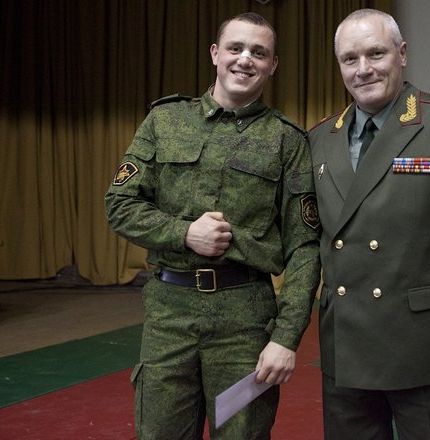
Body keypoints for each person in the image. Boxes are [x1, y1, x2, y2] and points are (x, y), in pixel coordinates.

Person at [104, 12, 321, 440]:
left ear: (273, 65)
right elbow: (120, 203)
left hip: (245, 325)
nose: (245, 59)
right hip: (169, 318)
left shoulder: (287, 140)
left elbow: (304, 247)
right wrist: (184, 233)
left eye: (259, 52)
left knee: (242, 434)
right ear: (215, 54)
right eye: (236, 48)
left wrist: (286, 336)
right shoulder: (165, 121)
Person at [308, 9, 430, 440]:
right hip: (346, 347)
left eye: (375, 54)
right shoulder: (320, 138)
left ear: (402, 54)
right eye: (349, 59)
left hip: (426, 351)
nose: (363, 69)